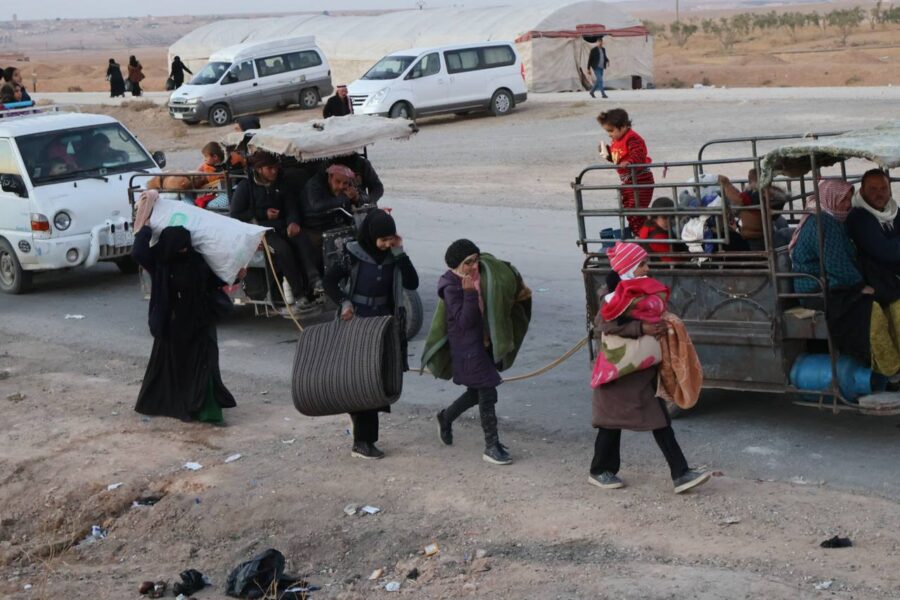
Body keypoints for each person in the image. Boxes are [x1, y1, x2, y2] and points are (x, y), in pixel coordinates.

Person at [589, 242, 710, 493]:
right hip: (618, 371)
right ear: (630, 268)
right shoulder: (611, 294)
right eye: (642, 264)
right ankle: (600, 471)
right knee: (611, 424)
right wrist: (641, 328)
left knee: (659, 420)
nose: (647, 268)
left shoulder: (639, 290)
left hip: (640, 370)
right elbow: (605, 325)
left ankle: (681, 473)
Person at [130, 194, 237, 424]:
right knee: (173, 369)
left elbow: (213, 280)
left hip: (199, 325)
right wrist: (146, 225)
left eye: (185, 247)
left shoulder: (196, 261)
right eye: (178, 248)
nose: (183, 251)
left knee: (204, 368)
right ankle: (178, 405)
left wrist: (235, 274)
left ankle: (206, 409)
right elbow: (138, 252)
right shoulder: (160, 263)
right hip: (172, 325)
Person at [322, 209, 419, 459]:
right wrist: (344, 302)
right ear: (371, 235)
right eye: (383, 240)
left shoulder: (393, 256)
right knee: (364, 380)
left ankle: (360, 429)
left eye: (391, 239)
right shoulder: (352, 254)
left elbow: (412, 283)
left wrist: (399, 252)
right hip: (357, 323)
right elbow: (330, 282)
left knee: (378, 380)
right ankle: (362, 442)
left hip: (384, 325)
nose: (387, 244)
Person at [789, 179, 900, 380]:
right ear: (830, 198)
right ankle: (887, 369)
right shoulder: (824, 222)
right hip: (818, 289)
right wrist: (860, 287)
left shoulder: (834, 220)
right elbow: (837, 264)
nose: (848, 205)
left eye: (849, 199)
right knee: (872, 308)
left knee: (888, 294)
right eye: (842, 200)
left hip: (834, 284)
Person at [433, 240, 514, 466]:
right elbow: (465, 321)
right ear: (457, 263)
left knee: (477, 393)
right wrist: (468, 293)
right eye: (468, 262)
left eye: (476, 260)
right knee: (487, 394)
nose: (474, 266)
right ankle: (491, 445)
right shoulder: (451, 286)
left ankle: (446, 417)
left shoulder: (477, 278)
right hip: (467, 350)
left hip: (482, 346)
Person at [230, 152, 321, 308]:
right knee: (283, 250)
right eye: (269, 168)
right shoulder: (246, 187)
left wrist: (293, 222)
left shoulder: (282, 183)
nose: (274, 171)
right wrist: (263, 214)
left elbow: (291, 206)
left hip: (283, 226)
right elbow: (236, 214)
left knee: (302, 238)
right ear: (259, 169)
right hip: (262, 230)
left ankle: (315, 281)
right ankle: (299, 294)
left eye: (275, 168)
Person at [598, 108, 654, 234]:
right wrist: (607, 154)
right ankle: (640, 234)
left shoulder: (633, 138)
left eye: (611, 131)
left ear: (623, 127)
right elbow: (618, 160)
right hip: (628, 181)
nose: (609, 134)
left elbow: (638, 154)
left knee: (635, 210)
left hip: (641, 179)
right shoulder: (616, 141)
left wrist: (629, 162)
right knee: (628, 210)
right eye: (608, 131)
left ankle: (644, 235)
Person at [301, 164, 361, 270]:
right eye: (337, 182)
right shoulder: (314, 184)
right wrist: (344, 197)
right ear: (329, 177)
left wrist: (356, 198)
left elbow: (362, 200)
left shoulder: (347, 188)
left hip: (336, 223)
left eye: (345, 183)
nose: (341, 186)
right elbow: (317, 206)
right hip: (314, 225)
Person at [637, 197, 688, 262]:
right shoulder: (657, 238)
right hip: (664, 267)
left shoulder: (648, 225)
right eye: (664, 217)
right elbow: (671, 260)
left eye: (671, 217)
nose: (669, 221)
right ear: (655, 217)